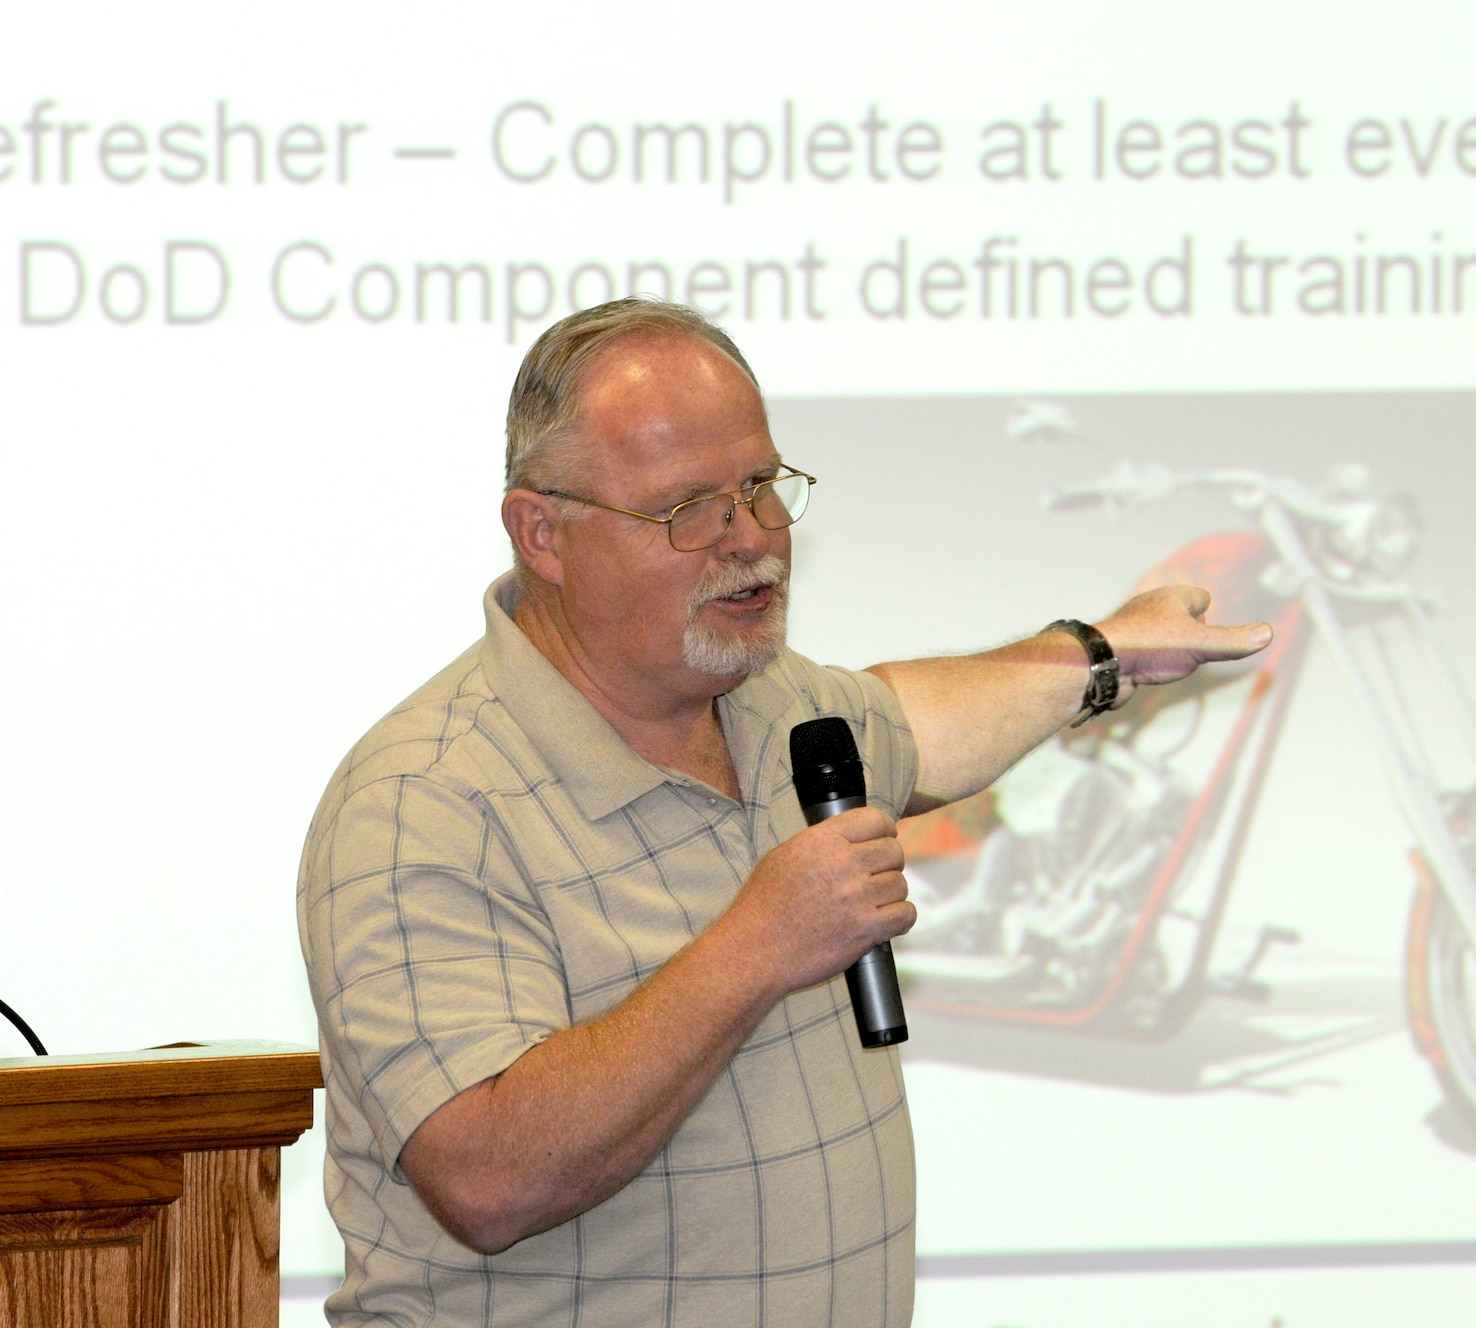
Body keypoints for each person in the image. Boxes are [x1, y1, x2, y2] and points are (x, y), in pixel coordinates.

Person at [296, 298, 1272, 1327]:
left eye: (760, 486)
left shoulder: (775, 704)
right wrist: (759, 943)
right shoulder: (422, 802)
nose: (750, 539)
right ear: (543, 532)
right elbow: (487, 1178)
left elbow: (924, 719)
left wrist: (1103, 654)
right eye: (686, 508)